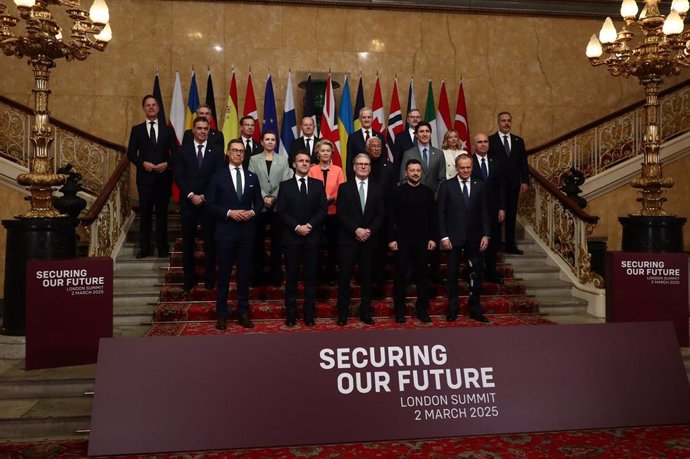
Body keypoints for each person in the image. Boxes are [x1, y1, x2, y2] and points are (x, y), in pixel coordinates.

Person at [205, 139, 263, 330]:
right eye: (235, 150)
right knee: (223, 275)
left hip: (246, 233)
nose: (238, 154)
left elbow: (259, 203)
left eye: (241, 151)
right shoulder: (217, 177)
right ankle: (221, 315)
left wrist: (252, 213)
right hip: (225, 233)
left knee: (244, 276)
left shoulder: (252, 177)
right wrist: (229, 213)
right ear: (228, 153)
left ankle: (243, 313)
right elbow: (210, 204)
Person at [173, 117, 226, 294]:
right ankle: (189, 279)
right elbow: (179, 176)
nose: (202, 131)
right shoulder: (182, 150)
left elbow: (218, 176)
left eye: (205, 128)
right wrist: (191, 195)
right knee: (188, 243)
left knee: (210, 242)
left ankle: (210, 278)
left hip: (208, 203)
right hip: (188, 203)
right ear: (193, 130)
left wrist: (203, 196)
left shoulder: (217, 151)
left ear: (209, 130)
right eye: (199, 128)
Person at [437, 154, 491, 323]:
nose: (466, 170)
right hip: (452, 238)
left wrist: (486, 234)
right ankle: (452, 309)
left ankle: (475, 309)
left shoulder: (480, 186)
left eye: (468, 167)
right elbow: (440, 213)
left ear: (472, 167)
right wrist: (443, 236)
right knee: (452, 275)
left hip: (475, 238)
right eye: (462, 167)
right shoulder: (446, 186)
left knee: (476, 274)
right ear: (456, 167)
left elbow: (485, 212)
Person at [277, 151, 327, 327]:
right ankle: (291, 314)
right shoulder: (285, 186)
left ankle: (309, 314)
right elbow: (281, 211)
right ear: (293, 164)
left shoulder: (318, 184)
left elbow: (322, 210)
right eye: (301, 161)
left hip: (312, 238)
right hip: (292, 238)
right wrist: (297, 227)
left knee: (311, 278)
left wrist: (310, 226)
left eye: (307, 161)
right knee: (291, 278)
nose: (304, 163)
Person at [335, 153, 385, 326]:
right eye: (360, 164)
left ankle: (366, 311)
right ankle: (342, 312)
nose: (363, 167)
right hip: (348, 240)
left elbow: (380, 214)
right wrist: (356, 229)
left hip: (369, 241)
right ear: (354, 166)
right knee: (344, 278)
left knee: (367, 278)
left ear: (370, 167)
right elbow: (341, 213)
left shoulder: (378, 188)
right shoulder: (344, 188)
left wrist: (368, 230)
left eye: (366, 164)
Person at [388, 159, 437, 324]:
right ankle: (399, 312)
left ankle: (422, 310)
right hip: (402, 241)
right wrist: (392, 239)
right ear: (406, 172)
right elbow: (390, 217)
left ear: (421, 172)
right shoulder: (397, 192)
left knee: (422, 278)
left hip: (423, 241)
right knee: (400, 277)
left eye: (418, 170)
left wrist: (432, 238)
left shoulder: (428, 192)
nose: (415, 173)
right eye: (412, 170)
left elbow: (433, 217)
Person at [126, 94, 175, 258]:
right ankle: (145, 248)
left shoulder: (168, 130)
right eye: (148, 105)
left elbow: (176, 153)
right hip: (145, 180)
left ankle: (162, 248)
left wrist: (167, 164)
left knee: (162, 215)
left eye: (154, 105)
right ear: (144, 108)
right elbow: (131, 153)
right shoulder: (137, 130)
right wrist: (142, 164)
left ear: (158, 108)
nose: (151, 107)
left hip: (163, 179)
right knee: (145, 215)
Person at [248, 130, 293, 286]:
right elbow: (251, 179)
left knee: (277, 244)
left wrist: (273, 197)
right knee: (257, 243)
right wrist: (264, 197)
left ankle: (276, 276)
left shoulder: (283, 160)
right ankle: (257, 276)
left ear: (276, 142)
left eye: (273, 139)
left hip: (277, 207)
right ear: (261, 142)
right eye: (267, 139)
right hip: (259, 207)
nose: (270, 142)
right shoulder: (254, 159)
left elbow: (286, 181)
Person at [488, 111, 529, 255]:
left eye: (508, 120)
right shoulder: (490, 140)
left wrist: (525, 181)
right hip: (496, 185)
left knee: (511, 215)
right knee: (498, 214)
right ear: (498, 123)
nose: (506, 123)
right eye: (503, 120)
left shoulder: (519, 141)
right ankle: (497, 245)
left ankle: (510, 245)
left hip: (513, 184)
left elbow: (523, 162)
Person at [308, 139, 345, 284]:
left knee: (332, 245)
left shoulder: (338, 170)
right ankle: (315, 275)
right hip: (315, 214)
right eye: (322, 150)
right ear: (317, 153)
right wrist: (322, 199)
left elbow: (342, 190)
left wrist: (330, 198)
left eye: (328, 151)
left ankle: (330, 275)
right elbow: (309, 190)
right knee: (315, 245)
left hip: (333, 212)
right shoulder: (311, 170)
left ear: (332, 153)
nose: (325, 153)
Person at [471, 133, 506, 283]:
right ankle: (476, 273)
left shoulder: (496, 162)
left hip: (493, 210)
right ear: (474, 145)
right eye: (480, 142)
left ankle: (491, 273)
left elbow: (501, 187)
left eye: (485, 142)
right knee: (475, 243)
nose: (483, 144)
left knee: (493, 243)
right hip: (474, 210)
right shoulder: (468, 162)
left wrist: (502, 207)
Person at [398, 121, 446, 194]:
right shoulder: (408, 154)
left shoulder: (439, 154)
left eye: (427, 131)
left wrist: (435, 196)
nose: (425, 134)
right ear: (416, 135)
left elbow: (442, 179)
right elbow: (403, 179)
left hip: (433, 199)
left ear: (430, 134)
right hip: (412, 197)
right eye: (421, 131)